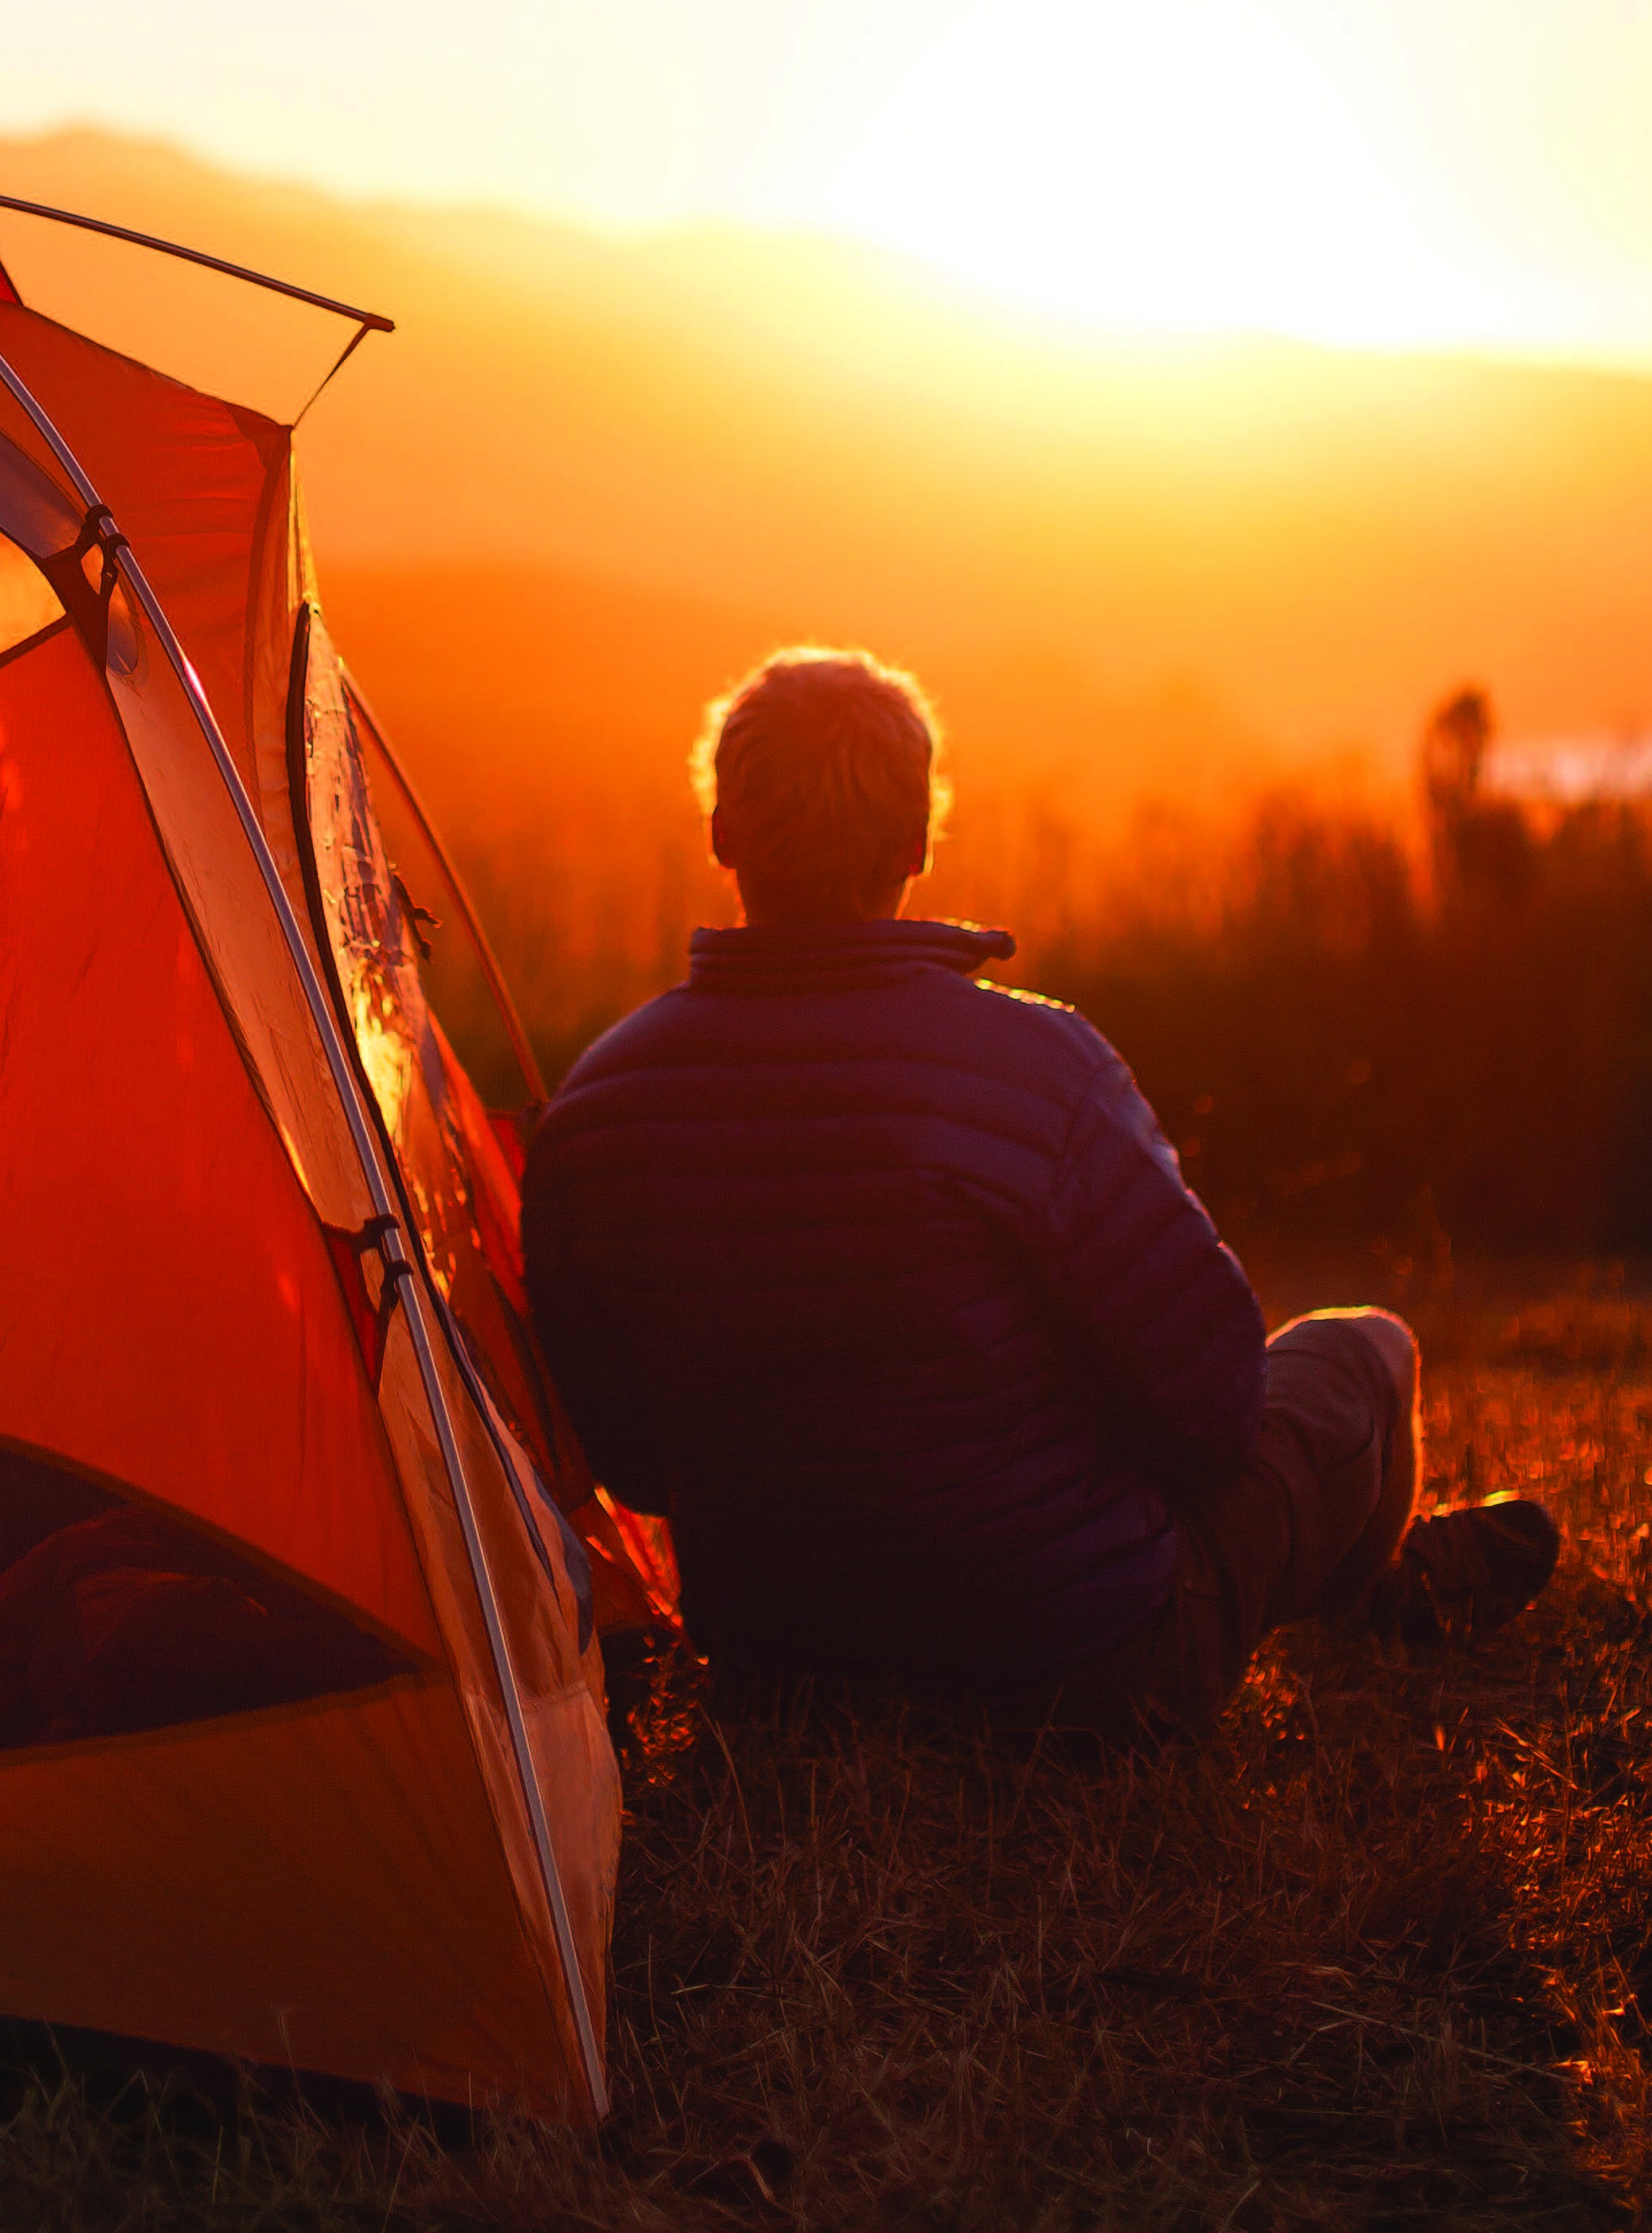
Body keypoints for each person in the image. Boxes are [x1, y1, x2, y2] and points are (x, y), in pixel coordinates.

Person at [522, 646, 1559, 1729]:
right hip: (1082, 1665)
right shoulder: (1034, 1067)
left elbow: (631, 1465)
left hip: (778, 1676)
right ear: (919, 842)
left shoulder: (594, 1108)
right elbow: (1212, 1412)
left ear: (721, 833)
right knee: (1364, 1351)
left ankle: (1391, 1587)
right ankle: (1382, 1595)